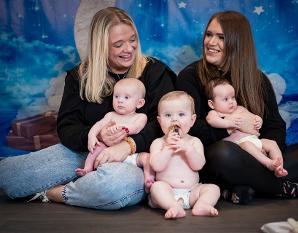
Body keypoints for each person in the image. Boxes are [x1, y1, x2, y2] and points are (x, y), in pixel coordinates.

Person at [0, 7, 176, 209]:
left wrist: (128, 145)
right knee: (8, 177)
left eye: (132, 40)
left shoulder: (155, 72)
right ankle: (88, 186)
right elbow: (67, 127)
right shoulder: (79, 76)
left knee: (115, 186)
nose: (129, 49)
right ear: (101, 46)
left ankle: (56, 192)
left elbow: (164, 124)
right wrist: (97, 136)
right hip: (86, 151)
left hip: (134, 160)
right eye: (118, 44)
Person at [176, 11, 298, 204]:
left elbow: (275, 125)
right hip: (218, 160)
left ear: (237, 42)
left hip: (258, 156)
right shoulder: (190, 76)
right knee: (222, 153)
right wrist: (232, 127)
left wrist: (267, 151)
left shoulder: (257, 80)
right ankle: (286, 188)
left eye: (221, 37)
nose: (210, 42)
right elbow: (190, 129)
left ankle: (248, 185)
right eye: (209, 34)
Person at [148, 91, 220, 219]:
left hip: (192, 192)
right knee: (157, 187)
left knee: (213, 189)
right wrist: (168, 148)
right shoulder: (158, 143)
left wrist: (188, 149)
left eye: (181, 114)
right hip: (168, 192)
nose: (174, 119)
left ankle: (202, 205)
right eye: (168, 115)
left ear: (192, 120)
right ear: (159, 121)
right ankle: (172, 206)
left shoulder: (194, 142)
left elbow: (198, 165)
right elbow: (156, 166)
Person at [75, 78, 155, 192]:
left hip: (130, 155)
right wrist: (92, 136)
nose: (120, 101)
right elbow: (98, 125)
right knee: (97, 147)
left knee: (147, 157)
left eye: (126, 97)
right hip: (108, 153)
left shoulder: (140, 117)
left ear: (139, 103)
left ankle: (149, 179)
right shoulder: (111, 115)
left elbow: (136, 129)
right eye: (116, 96)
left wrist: (122, 127)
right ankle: (87, 168)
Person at [206, 78, 288, 177]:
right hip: (240, 146)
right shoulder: (215, 113)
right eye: (226, 99)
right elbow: (211, 120)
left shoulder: (240, 108)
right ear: (211, 104)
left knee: (272, 143)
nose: (231, 102)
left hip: (254, 140)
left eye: (233, 97)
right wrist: (227, 123)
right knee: (247, 144)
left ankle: (279, 168)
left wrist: (258, 120)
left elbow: (252, 117)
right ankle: (268, 163)